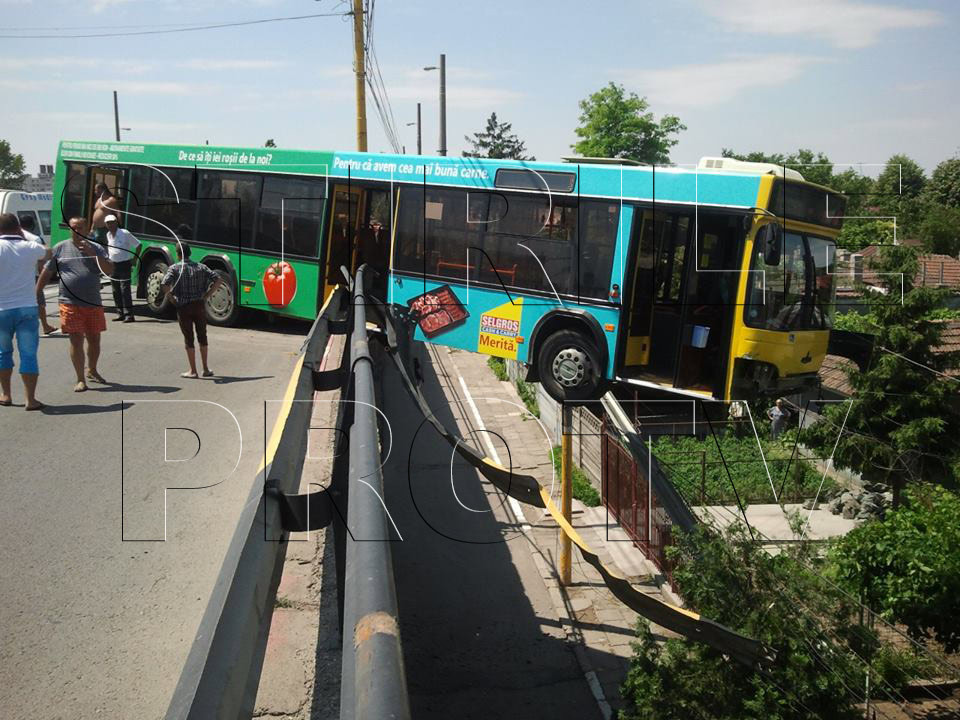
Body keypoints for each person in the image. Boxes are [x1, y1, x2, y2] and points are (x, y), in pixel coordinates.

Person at [36, 216, 114, 392]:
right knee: (76, 339)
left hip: (93, 302)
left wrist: (92, 254)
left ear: (87, 229)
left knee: (94, 339)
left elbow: (109, 270)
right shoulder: (60, 248)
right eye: (73, 228)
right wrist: (37, 292)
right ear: (69, 229)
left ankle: (92, 370)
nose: (77, 231)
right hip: (69, 302)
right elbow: (47, 272)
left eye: (80, 227)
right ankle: (80, 379)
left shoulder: (97, 248)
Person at [0, 213, 48, 410]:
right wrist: (24, 234)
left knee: (3, 353)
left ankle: (6, 394)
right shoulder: (30, 247)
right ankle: (31, 399)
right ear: (18, 228)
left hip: (2, 309)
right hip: (27, 308)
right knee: (28, 354)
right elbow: (48, 251)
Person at [160, 242, 222, 378]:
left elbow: (164, 284)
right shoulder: (201, 267)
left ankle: (193, 371)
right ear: (190, 253)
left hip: (183, 307)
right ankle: (205, 368)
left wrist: (171, 297)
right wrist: (207, 295)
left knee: (189, 338)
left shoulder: (175, 268)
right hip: (199, 305)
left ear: (178, 254)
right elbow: (218, 279)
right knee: (202, 336)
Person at [19, 214, 57, 334]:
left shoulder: (15, 235)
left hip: (18, 274)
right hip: (33, 275)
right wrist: (44, 275)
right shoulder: (35, 238)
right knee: (39, 301)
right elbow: (42, 260)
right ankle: (45, 326)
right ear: (32, 224)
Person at [104, 214, 140, 322]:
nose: (110, 225)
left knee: (125, 290)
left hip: (124, 264)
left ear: (116, 222)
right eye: (108, 223)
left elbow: (138, 245)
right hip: (113, 265)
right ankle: (120, 313)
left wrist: (134, 259)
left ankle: (129, 315)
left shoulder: (124, 233)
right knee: (115, 290)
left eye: (112, 222)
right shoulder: (108, 235)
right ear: (106, 225)